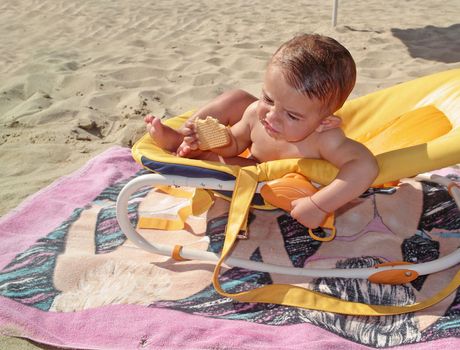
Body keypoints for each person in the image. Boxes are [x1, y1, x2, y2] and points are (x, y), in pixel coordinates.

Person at [144, 33, 379, 229]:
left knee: (231, 166)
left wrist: (320, 205)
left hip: (267, 180)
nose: (271, 116)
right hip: (250, 163)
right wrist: (219, 140)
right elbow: (235, 144)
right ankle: (184, 136)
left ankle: (192, 151)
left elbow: (365, 166)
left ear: (324, 122)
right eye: (268, 97)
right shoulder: (257, 113)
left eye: (292, 115)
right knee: (237, 99)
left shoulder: (325, 138)